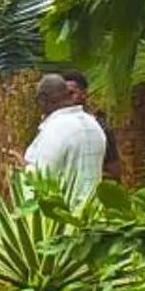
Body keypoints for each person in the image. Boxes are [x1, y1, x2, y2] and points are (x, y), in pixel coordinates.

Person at [21, 72, 107, 206]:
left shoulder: (55, 129)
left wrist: (24, 167)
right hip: (94, 212)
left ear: (43, 99)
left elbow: (39, 181)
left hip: (65, 215)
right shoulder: (93, 125)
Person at [66, 70, 120, 181]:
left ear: (84, 94)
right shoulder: (54, 127)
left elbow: (113, 168)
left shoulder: (101, 127)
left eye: (71, 93)